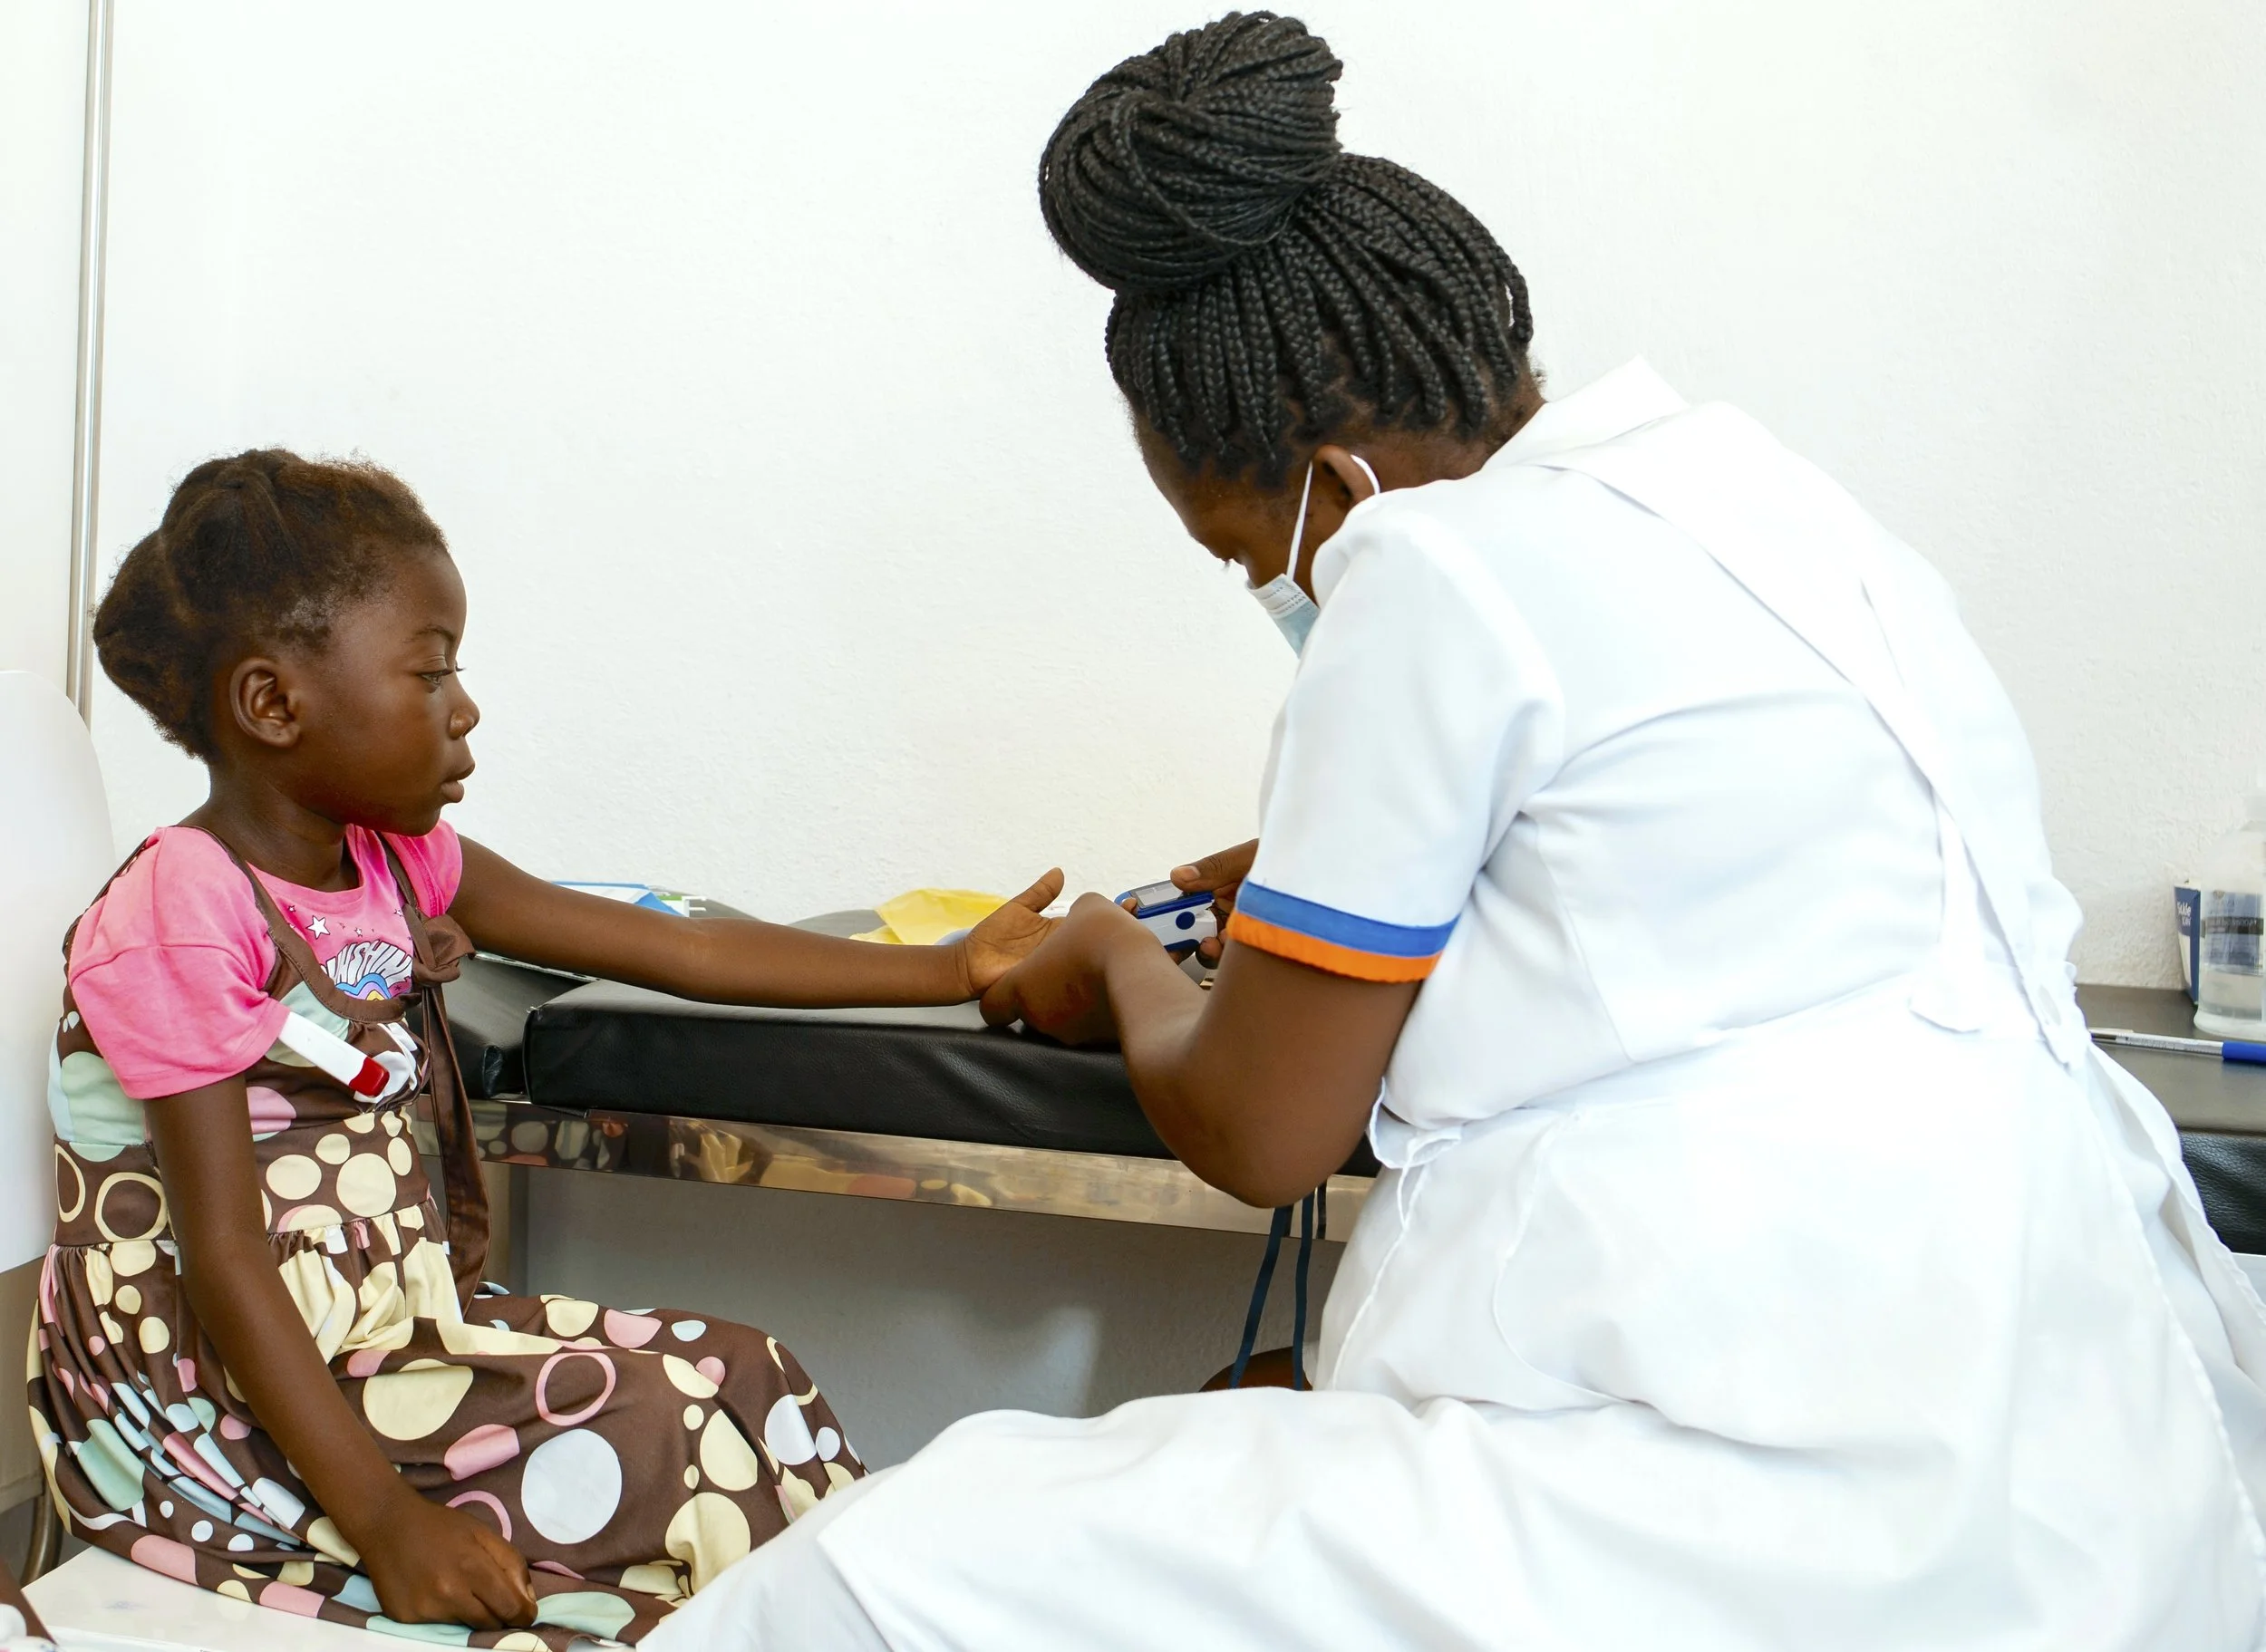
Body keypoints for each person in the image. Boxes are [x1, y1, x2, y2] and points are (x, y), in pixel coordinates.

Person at [652, 12, 2266, 1649]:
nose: (1271, 593)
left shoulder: (1427, 572)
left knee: (887, 1573)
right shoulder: (1767, 501)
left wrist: (1117, 958)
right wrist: (1345, 895)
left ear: (1335, 489)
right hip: (2085, 1455)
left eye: (1240, 554)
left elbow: (1260, 1131)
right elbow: (1699, 922)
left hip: (1736, 1474)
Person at [28, 450, 1060, 1649]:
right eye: (429, 669)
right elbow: (224, 1259)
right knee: (673, 1429)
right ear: (273, 704)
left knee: (749, 1376)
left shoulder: (393, 859)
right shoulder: (181, 903)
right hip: (213, 1401)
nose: (463, 707)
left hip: (382, 1331)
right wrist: (386, 1523)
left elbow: (683, 952)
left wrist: (949, 968)